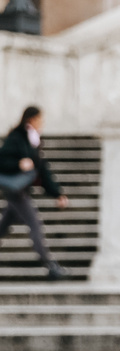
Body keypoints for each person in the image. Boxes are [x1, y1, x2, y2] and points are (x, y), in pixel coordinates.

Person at [0, 105, 67, 280]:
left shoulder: (34, 141)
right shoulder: (16, 137)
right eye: (39, 119)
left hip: (20, 190)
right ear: (31, 119)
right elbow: (2, 160)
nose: (41, 123)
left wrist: (57, 193)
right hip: (16, 192)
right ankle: (51, 266)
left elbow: (42, 171)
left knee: (2, 226)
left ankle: (51, 266)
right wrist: (18, 164)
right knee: (35, 225)